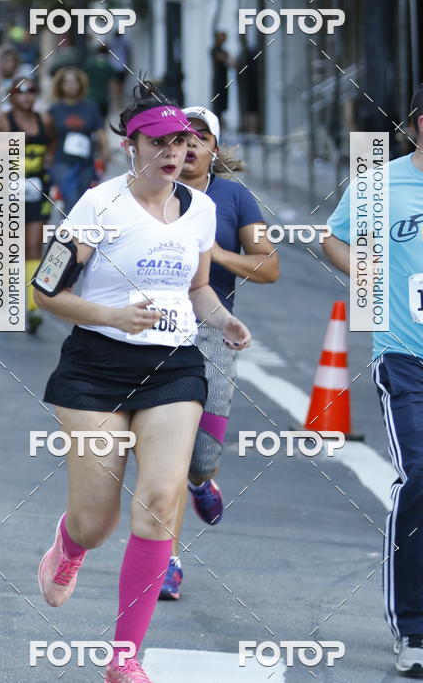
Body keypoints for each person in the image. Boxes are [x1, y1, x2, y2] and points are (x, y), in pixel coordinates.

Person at [33, 83, 251, 683]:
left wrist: (225, 319)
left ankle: (124, 656)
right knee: (96, 521)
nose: (173, 153)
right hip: (95, 369)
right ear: (131, 146)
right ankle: (70, 547)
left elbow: (199, 286)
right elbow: (45, 291)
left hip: (173, 369)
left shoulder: (200, 209)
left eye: (182, 142)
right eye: (159, 143)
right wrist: (112, 315)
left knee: (159, 503)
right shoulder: (97, 207)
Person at [322, 76, 423, 676]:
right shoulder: (380, 185)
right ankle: (415, 629)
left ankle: (422, 599)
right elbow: (335, 242)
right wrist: (371, 283)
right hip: (408, 358)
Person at [157, 106, 279, 600]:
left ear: (213, 148)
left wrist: (209, 252)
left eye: (198, 139)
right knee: (165, 456)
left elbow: (268, 267)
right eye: (177, 138)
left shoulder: (232, 197)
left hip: (212, 331)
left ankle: (203, 479)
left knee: (200, 456)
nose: (186, 148)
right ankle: (166, 560)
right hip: (156, 332)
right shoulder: (147, 194)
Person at [0, 77, 55, 334]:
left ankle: (33, 310)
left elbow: (52, 144)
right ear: (11, 95)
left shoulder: (44, 120)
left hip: (37, 188)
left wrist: (47, 160)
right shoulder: (1, 121)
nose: (26, 96)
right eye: (20, 91)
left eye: (32, 91)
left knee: (34, 246)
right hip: (7, 190)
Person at [46, 67, 109, 215]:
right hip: (62, 161)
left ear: (81, 84)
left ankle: (76, 231)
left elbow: (100, 130)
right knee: (71, 196)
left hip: (86, 162)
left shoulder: (90, 106)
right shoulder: (54, 109)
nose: (71, 85)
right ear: (60, 85)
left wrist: (105, 152)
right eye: (66, 82)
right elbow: (48, 135)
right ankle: (69, 233)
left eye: (74, 82)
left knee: (83, 199)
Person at [83, 43, 117, 118]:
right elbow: (112, 84)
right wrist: (114, 101)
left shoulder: (89, 64)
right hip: (104, 98)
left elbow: (84, 80)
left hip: (91, 96)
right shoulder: (108, 65)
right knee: (103, 119)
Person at [211, 31, 231, 119]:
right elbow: (222, 58)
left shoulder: (223, 51)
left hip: (224, 80)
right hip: (218, 80)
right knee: (218, 103)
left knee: (222, 103)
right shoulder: (214, 50)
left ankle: (221, 120)